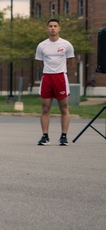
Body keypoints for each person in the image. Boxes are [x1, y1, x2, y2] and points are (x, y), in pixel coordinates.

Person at [35, 18, 75, 146]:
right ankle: (45, 136)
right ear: (47, 29)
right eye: (50, 26)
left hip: (60, 78)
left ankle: (64, 136)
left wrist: (61, 71)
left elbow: (71, 62)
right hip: (47, 77)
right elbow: (40, 63)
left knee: (64, 108)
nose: (53, 28)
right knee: (45, 108)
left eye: (55, 26)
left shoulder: (66, 45)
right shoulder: (42, 45)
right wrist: (49, 71)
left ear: (59, 28)